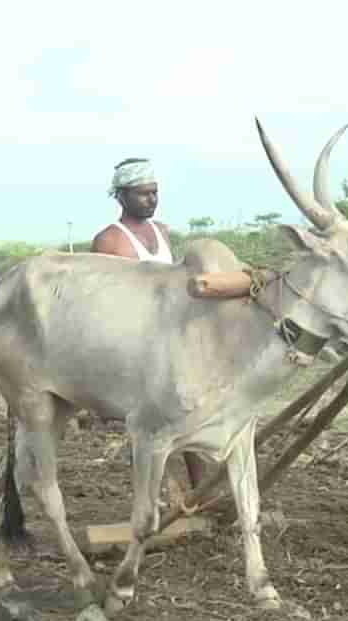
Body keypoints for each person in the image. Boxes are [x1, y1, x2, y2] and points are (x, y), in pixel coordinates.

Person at [91, 157, 208, 508]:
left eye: (155, 193)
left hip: (175, 337)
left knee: (190, 416)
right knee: (150, 425)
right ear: (122, 196)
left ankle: (202, 493)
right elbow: (103, 300)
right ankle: (153, 499)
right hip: (136, 342)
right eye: (143, 194)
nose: (151, 200)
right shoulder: (109, 241)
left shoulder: (163, 232)